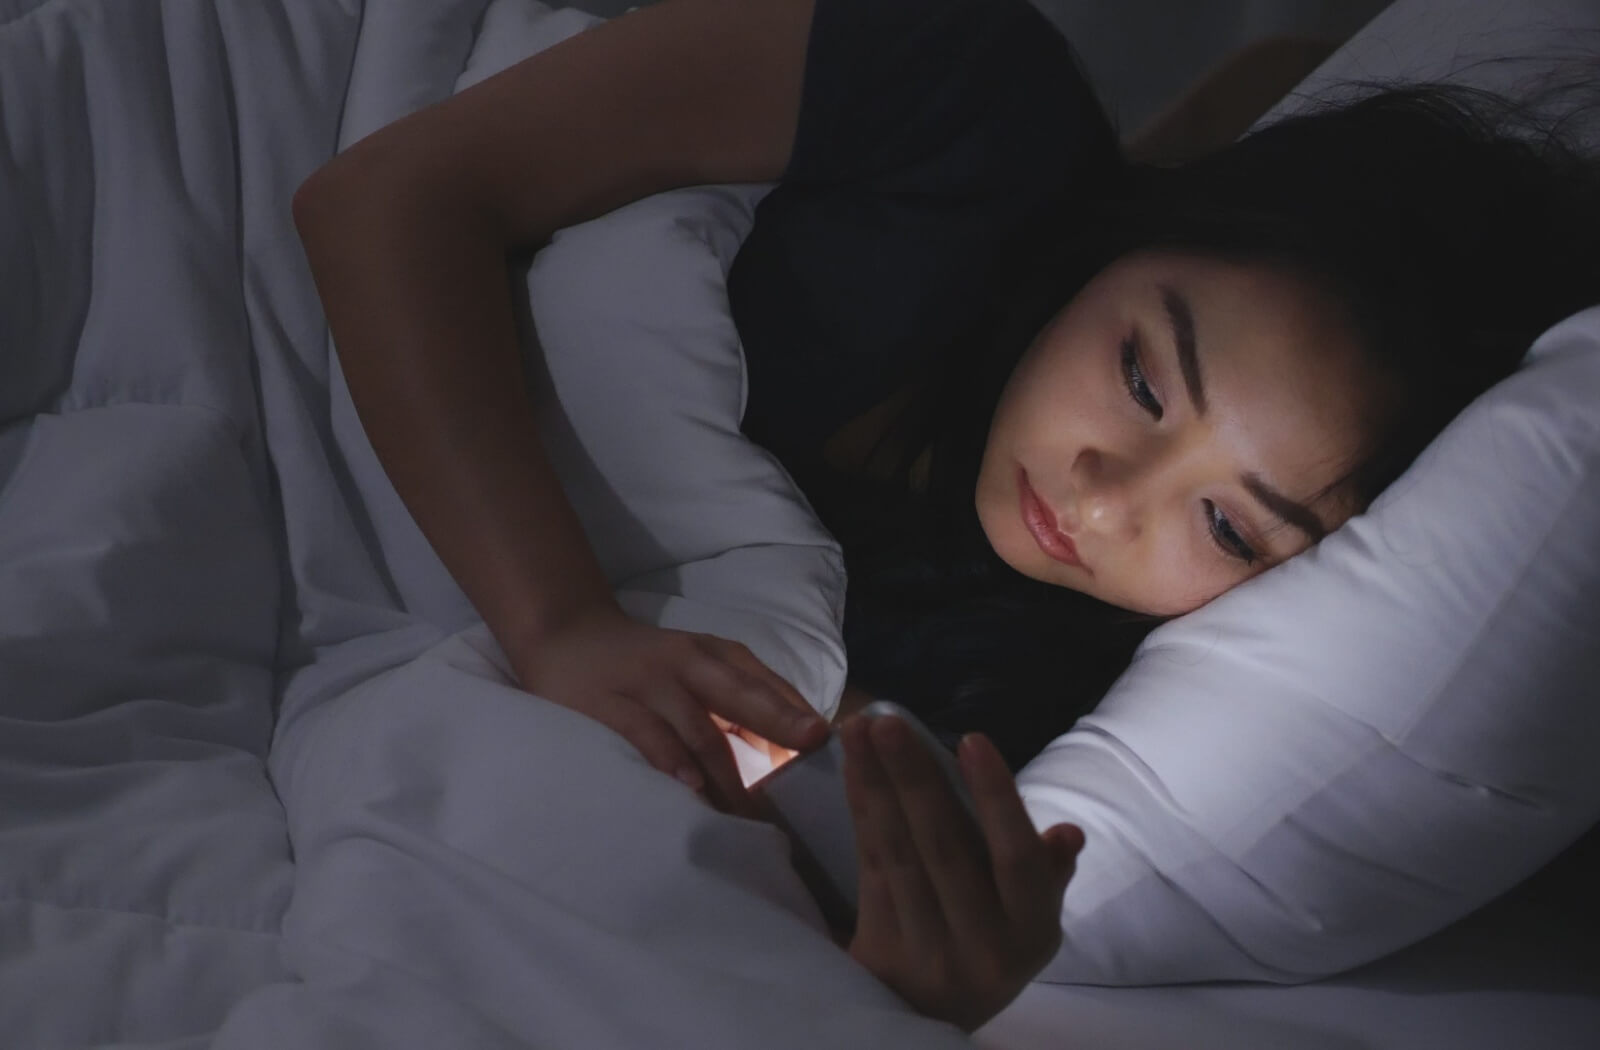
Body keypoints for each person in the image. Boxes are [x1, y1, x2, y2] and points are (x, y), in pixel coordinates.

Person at [291, 0, 1600, 1030]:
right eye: (1143, 374)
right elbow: (382, 195)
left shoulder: (1019, 690)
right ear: (1146, 234)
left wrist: (899, 986)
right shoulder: (967, 105)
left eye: (1232, 530)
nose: (1100, 498)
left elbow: (719, 855)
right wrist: (558, 616)